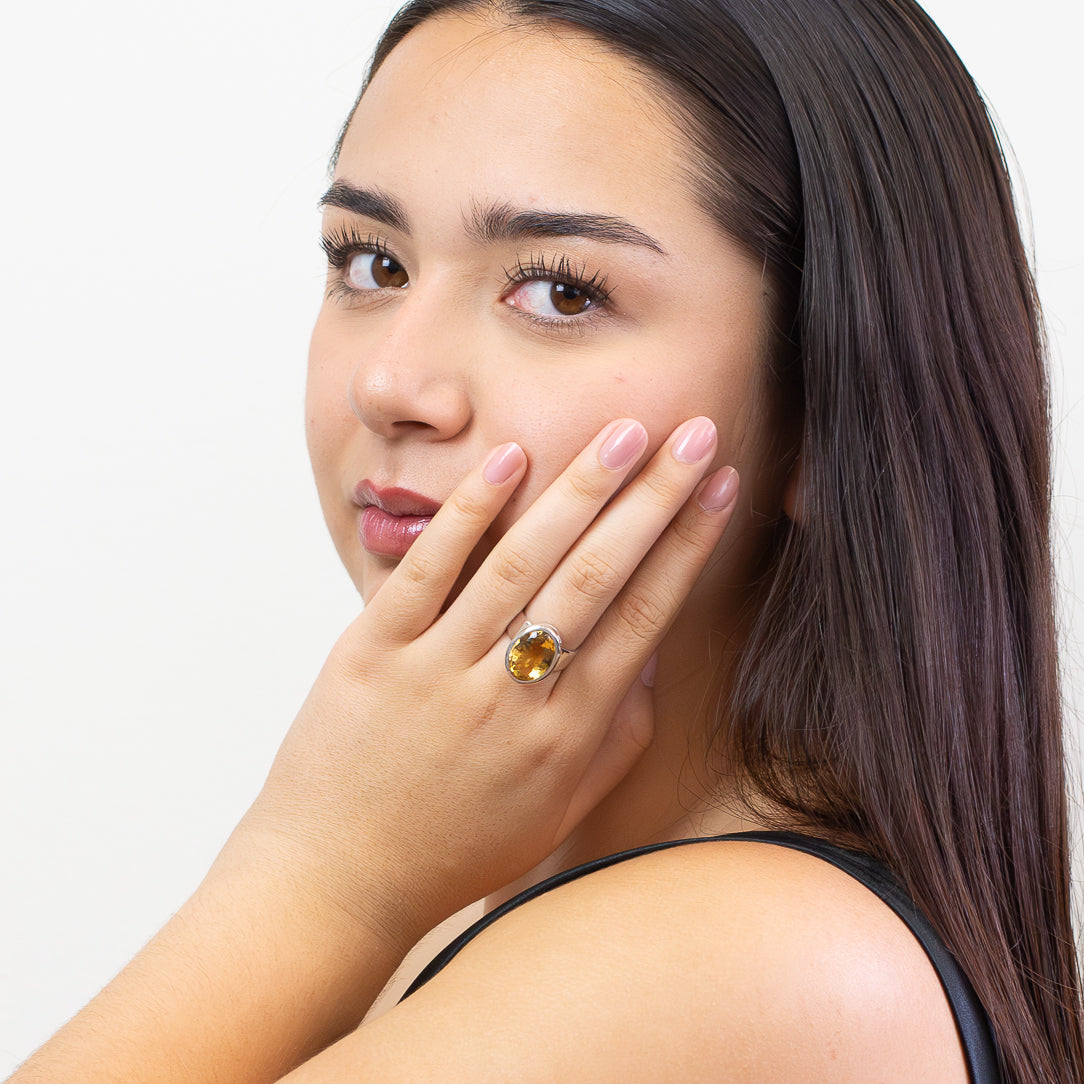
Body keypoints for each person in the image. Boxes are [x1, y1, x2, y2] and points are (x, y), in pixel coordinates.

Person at [8, 0, 1082, 1080]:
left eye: (560, 289)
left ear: (825, 405)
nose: (390, 383)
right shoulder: (524, 894)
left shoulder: (734, 960)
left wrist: (318, 874)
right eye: (370, 263)